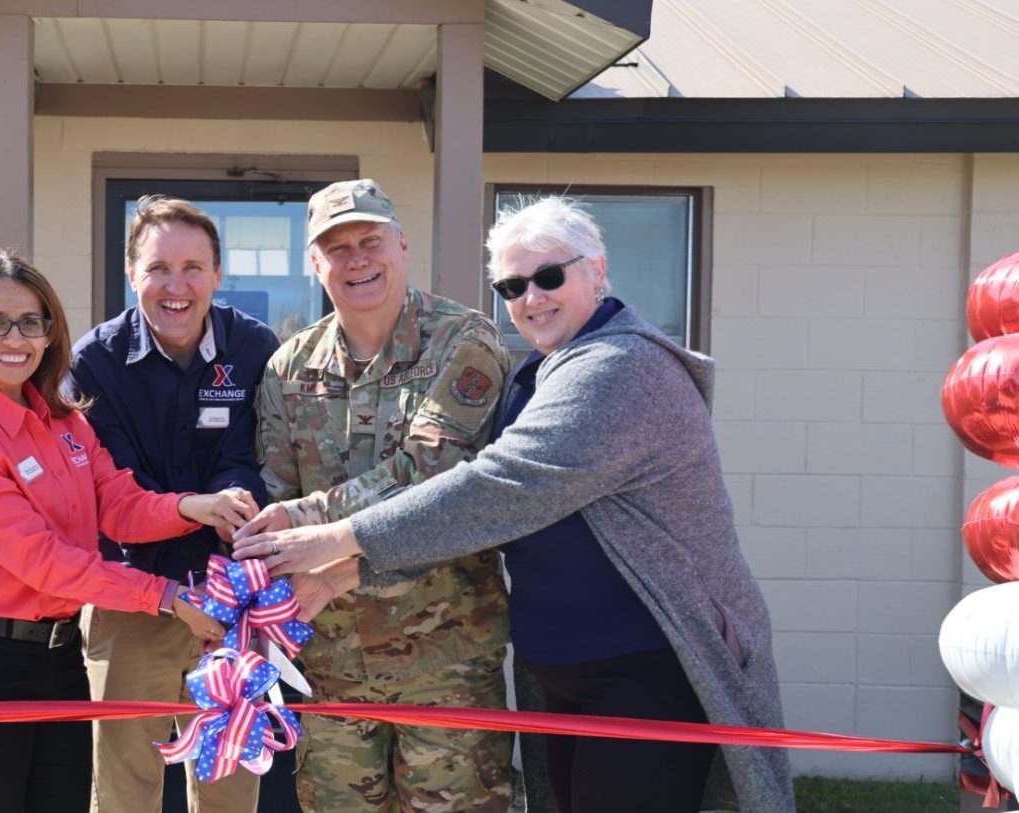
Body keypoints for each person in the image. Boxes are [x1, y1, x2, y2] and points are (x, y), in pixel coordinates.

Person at [234, 197, 794, 813]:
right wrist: (335, 571)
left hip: (641, 665)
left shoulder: (618, 366)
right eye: (513, 284)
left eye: (550, 276)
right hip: (560, 667)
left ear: (598, 269)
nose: (533, 297)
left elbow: (494, 488)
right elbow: (499, 514)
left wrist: (329, 536)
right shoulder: (545, 369)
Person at [0, 253, 254, 813]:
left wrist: (196, 507)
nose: (14, 337)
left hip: (61, 663)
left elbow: (118, 504)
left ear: (49, 334)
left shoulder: (65, 420)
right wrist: (168, 597)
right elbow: (44, 560)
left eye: (31, 322)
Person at [238, 179, 514, 813]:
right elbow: (275, 500)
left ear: (402, 245)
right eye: (336, 248)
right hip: (330, 666)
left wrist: (307, 521)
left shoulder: (463, 341)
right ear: (315, 264)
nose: (355, 259)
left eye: (369, 241)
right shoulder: (288, 368)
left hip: (445, 657)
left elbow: (429, 472)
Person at [71, 195, 279, 813]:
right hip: (135, 598)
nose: (176, 285)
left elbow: (260, 451)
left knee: (229, 785)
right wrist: (195, 505)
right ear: (132, 272)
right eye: (159, 267)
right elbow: (114, 495)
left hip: (232, 601)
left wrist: (235, 496)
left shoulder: (254, 347)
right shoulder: (95, 362)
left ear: (218, 274)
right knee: (125, 788)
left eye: (193, 268)